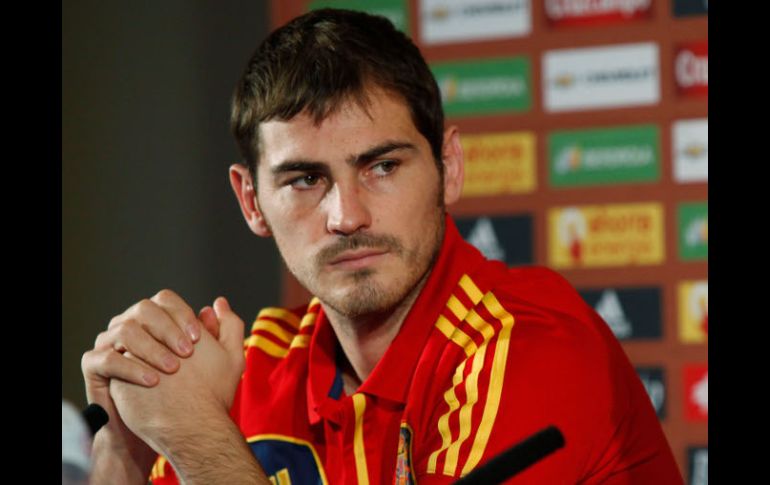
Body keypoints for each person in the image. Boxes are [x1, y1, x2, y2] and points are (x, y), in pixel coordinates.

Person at [81, 8, 684, 484]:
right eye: (305, 179)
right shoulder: (257, 363)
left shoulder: (531, 349)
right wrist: (126, 446)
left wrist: (196, 438)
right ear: (251, 202)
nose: (347, 216)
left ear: (449, 167)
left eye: (382, 166)